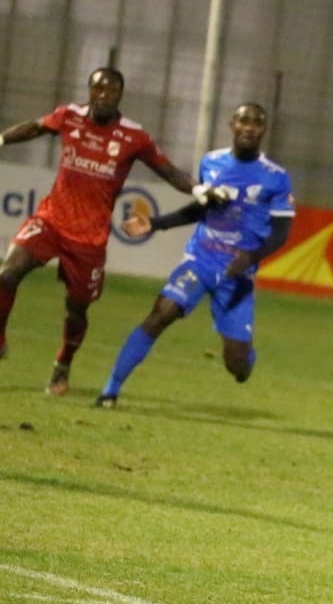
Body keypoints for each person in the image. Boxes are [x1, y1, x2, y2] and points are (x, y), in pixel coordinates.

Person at [0, 66, 198, 394]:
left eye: (110, 90)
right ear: (89, 90)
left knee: (77, 307)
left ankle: (63, 363)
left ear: (120, 95)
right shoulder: (69, 116)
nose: (103, 95)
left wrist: (202, 191)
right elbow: (34, 128)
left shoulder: (134, 137)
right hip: (51, 220)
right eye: (97, 89)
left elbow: (170, 172)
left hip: (89, 238)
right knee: (8, 273)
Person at [96, 103, 294, 407]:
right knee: (161, 314)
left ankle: (245, 357)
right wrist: (155, 223)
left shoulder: (276, 178)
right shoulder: (212, 162)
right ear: (232, 125)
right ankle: (110, 390)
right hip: (200, 259)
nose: (249, 127)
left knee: (237, 364)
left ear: (263, 130)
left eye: (256, 123)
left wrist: (251, 257)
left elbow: (281, 233)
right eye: (243, 121)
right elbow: (200, 210)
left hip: (237, 276)